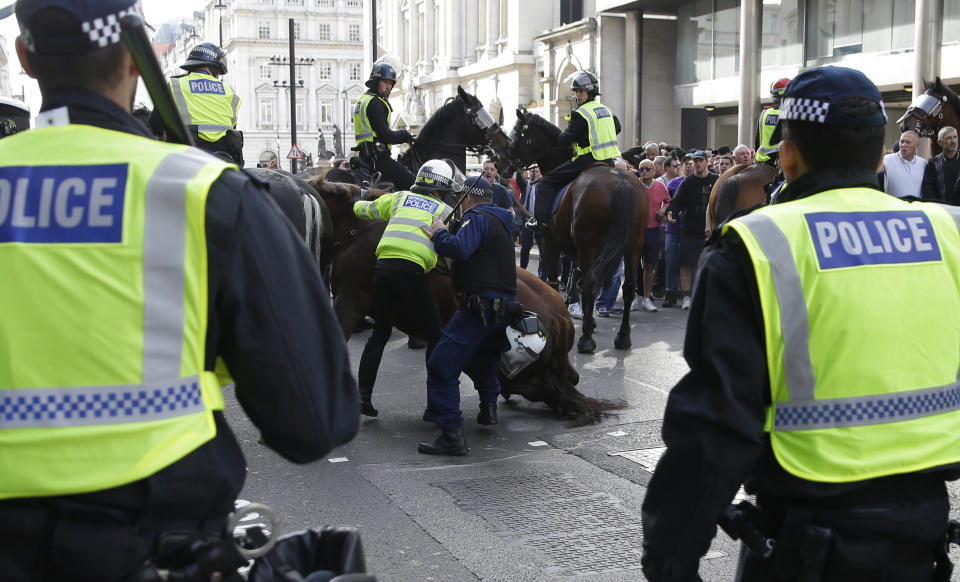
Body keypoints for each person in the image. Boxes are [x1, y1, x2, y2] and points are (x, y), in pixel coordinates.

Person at [1, 1, 359, 578]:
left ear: (26, 57)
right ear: (136, 57)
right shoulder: (207, 194)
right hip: (154, 544)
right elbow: (314, 423)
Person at [642, 65, 960, 582]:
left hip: (803, 548)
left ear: (786, 154)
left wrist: (669, 558)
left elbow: (716, 430)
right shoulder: (948, 232)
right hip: (921, 545)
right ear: (878, 154)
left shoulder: (755, 245)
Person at [352, 158, 461, 417]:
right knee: (435, 337)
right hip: (413, 273)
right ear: (442, 188)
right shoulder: (446, 210)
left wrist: (356, 198)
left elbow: (364, 210)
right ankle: (435, 405)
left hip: (384, 269)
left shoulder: (400, 198)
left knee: (379, 334)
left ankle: (362, 398)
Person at [419, 177, 519, 455]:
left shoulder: (475, 218)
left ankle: (451, 433)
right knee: (486, 358)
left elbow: (459, 249)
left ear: (467, 198)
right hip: (503, 308)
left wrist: (439, 232)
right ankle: (489, 409)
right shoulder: (500, 219)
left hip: (480, 308)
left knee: (441, 364)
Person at [526, 70, 621, 232]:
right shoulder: (606, 110)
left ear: (590, 92)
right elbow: (618, 128)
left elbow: (565, 140)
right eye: (576, 91)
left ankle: (540, 222)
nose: (577, 94)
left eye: (580, 91)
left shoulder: (581, 113)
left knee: (546, 182)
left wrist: (579, 139)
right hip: (608, 162)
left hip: (586, 161)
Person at [160, 41, 244, 166]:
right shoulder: (231, 93)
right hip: (225, 160)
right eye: (219, 73)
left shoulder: (174, 85)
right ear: (215, 68)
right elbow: (232, 127)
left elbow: (156, 123)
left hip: (185, 159)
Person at [665, 150, 718, 310]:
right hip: (689, 229)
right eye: (695, 161)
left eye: (700, 160)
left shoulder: (716, 180)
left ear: (707, 162)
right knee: (686, 265)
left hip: (711, 231)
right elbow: (677, 201)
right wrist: (671, 211)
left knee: (710, 264)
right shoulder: (687, 182)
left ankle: (708, 296)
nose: (697, 163)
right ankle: (686, 297)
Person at [353, 62, 415, 190]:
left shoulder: (363, 99)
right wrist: (405, 135)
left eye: (390, 83)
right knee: (411, 182)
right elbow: (386, 136)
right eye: (385, 82)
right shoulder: (375, 102)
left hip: (365, 154)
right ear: (376, 81)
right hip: (378, 158)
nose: (388, 86)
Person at [921, 126, 960, 204]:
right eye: (949, 138)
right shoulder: (933, 163)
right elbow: (928, 189)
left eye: (955, 137)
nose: (953, 141)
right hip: (942, 209)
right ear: (940, 142)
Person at [882, 130, 926, 198]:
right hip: (894, 207)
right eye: (902, 142)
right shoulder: (887, 160)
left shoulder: (923, 163)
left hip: (917, 207)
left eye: (908, 142)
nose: (903, 145)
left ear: (917, 146)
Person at [755, 77, 789, 163]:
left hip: (763, 160)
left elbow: (757, 140)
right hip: (783, 160)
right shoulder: (791, 113)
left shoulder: (765, 112)